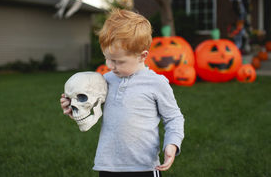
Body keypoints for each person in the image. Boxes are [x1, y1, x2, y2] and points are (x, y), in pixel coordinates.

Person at [60, 9, 185, 177]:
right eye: (107, 58)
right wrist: (74, 110)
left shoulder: (156, 83)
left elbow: (174, 117)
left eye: (118, 61)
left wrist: (172, 143)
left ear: (142, 56)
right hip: (108, 166)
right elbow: (91, 111)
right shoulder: (104, 81)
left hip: (144, 167)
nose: (110, 65)